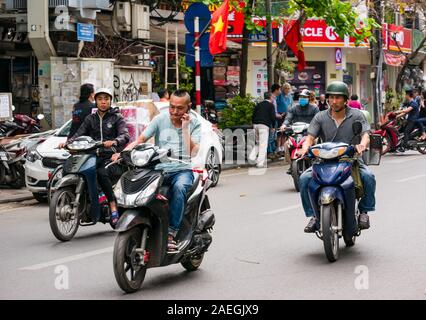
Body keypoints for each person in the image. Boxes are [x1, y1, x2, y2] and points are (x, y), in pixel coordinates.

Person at [123, 89, 201, 252]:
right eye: (172, 107)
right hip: (159, 169)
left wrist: (185, 128)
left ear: (188, 107)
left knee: (179, 189)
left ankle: (171, 233)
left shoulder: (195, 123)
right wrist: (124, 151)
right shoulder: (160, 119)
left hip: (182, 170)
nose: (174, 111)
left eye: (179, 108)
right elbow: (141, 139)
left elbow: (193, 152)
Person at [297, 81, 376, 233]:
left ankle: (364, 211)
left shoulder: (357, 115)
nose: (334, 101)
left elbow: (365, 134)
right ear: (327, 99)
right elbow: (310, 137)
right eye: (331, 97)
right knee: (304, 179)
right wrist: (304, 148)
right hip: (324, 160)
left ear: (345, 99)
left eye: (338, 98)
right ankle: (313, 215)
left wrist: (362, 145)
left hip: (350, 160)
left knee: (368, 177)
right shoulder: (320, 117)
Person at [62, 88, 130, 226]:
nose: (103, 102)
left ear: (110, 101)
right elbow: (78, 134)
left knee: (101, 172)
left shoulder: (117, 117)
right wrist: (67, 143)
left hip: (111, 156)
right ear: (96, 101)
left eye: (106, 99)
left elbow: (125, 135)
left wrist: (115, 142)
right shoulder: (90, 118)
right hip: (93, 155)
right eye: (100, 99)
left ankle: (112, 204)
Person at [249, 92, 277, 168]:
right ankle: (260, 163)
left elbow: (253, 115)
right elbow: (273, 117)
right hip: (264, 126)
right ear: (270, 97)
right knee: (263, 144)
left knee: (258, 143)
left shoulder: (258, 104)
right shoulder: (271, 105)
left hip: (255, 125)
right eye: (273, 97)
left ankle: (252, 157)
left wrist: (253, 124)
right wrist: (274, 126)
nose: (273, 99)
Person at [275, 83, 293, 156]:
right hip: (280, 115)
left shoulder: (289, 96)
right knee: (279, 132)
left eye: (288, 88)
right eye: (286, 88)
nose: (287, 90)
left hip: (287, 115)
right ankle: (278, 148)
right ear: (283, 89)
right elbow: (275, 105)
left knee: (285, 133)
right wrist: (278, 114)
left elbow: (291, 105)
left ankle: (282, 148)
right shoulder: (279, 96)